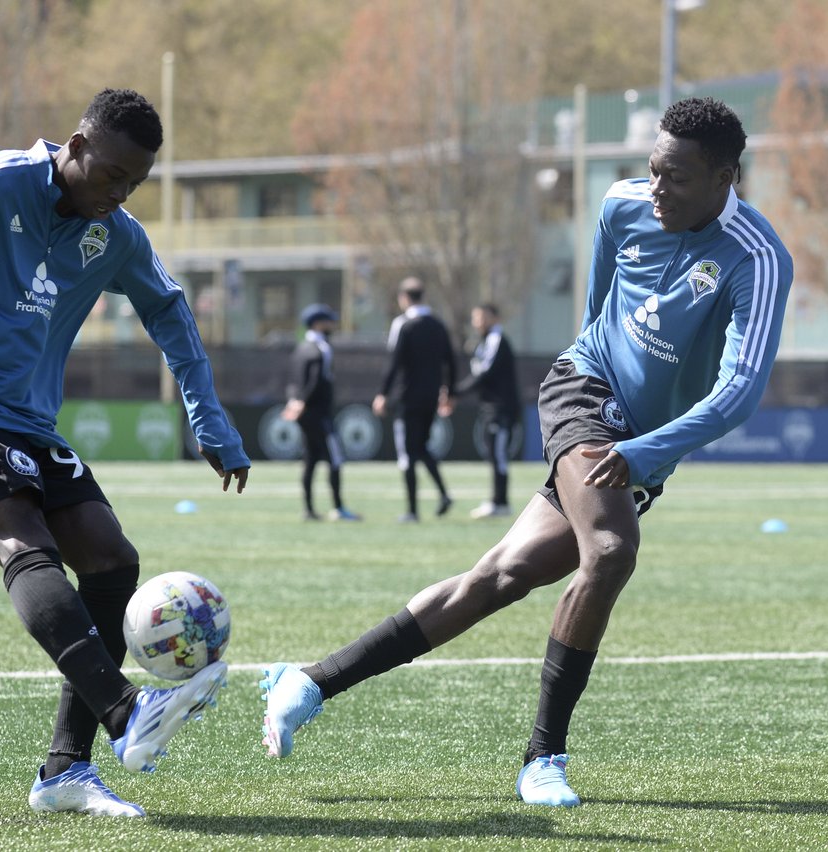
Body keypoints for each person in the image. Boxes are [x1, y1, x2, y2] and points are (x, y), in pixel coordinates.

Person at [259, 97, 792, 806]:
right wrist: (600, 407)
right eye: (654, 171)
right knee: (611, 551)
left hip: (640, 447)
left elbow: (740, 391)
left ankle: (309, 682)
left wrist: (644, 452)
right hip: (585, 389)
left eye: (679, 178)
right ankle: (544, 758)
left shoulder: (758, 258)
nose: (658, 190)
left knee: (499, 576)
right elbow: (597, 311)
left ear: (726, 178)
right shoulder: (623, 204)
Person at [0, 88, 250, 817]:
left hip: (32, 421)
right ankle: (127, 711)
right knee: (26, 545)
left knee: (111, 558)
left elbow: (169, 308)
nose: (119, 194)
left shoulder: (115, 234)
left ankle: (65, 772)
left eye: (134, 183)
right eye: (112, 175)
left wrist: (209, 418)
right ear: (75, 147)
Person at [372, 277, 456, 522]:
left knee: (407, 453)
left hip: (406, 397)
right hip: (430, 397)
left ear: (404, 298)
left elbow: (393, 362)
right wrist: (449, 392)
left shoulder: (403, 324)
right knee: (421, 447)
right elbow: (450, 361)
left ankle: (412, 510)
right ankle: (443, 494)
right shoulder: (438, 325)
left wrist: (383, 393)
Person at [282, 303, 360, 522]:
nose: (332, 325)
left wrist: (294, 402)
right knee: (335, 459)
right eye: (328, 321)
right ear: (317, 324)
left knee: (310, 460)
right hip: (320, 413)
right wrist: (303, 401)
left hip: (304, 415)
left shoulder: (300, 348)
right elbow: (316, 380)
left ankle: (308, 510)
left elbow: (292, 381)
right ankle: (339, 508)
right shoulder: (321, 348)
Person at [451, 303, 521, 519]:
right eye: (476, 318)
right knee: (493, 453)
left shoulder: (496, 339)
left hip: (501, 408)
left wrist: (455, 392)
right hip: (490, 407)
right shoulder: (483, 341)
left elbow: (483, 374)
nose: (478, 322)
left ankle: (500, 502)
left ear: (494, 318)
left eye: (482, 317)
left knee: (498, 454)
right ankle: (497, 501)